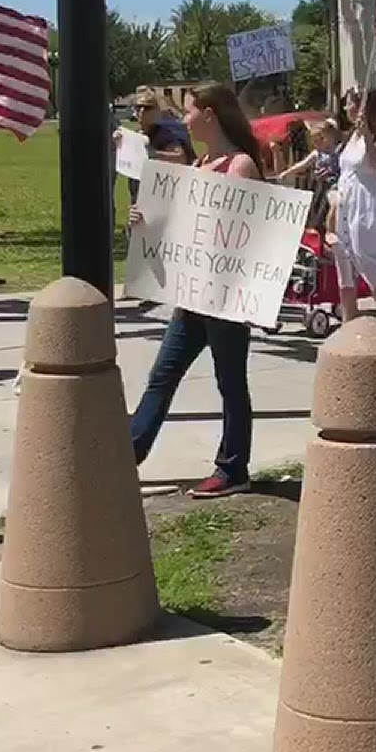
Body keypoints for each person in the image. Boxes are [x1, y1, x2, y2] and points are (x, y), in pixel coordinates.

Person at [125, 83, 262, 498]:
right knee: (162, 375)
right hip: (192, 294)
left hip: (223, 296)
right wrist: (148, 220)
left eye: (188, 111)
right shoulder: (203, 162)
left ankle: (233, 468)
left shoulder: (239, 167)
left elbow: (235, 231)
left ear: (209, 115)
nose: (182, 120)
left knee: (230, 381)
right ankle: (127, 455)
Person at [330, 89, 376, 323]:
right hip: (345, 199)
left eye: (351, 103)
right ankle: (348, 320)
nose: (347, 109)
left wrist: (368, 137)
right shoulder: (350, 137)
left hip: (365, 202)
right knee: (343, 256)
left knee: (367, 257)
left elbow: (375, 164)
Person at [114, 87, 195, 201]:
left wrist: (154, 154)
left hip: (163, 199)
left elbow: (180, 158)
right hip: (139, 196)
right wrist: (120, 143)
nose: (142, 111)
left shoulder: (165, 133)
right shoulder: (136, 135)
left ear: (157, 111)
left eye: (147, 108)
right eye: (138, 107)